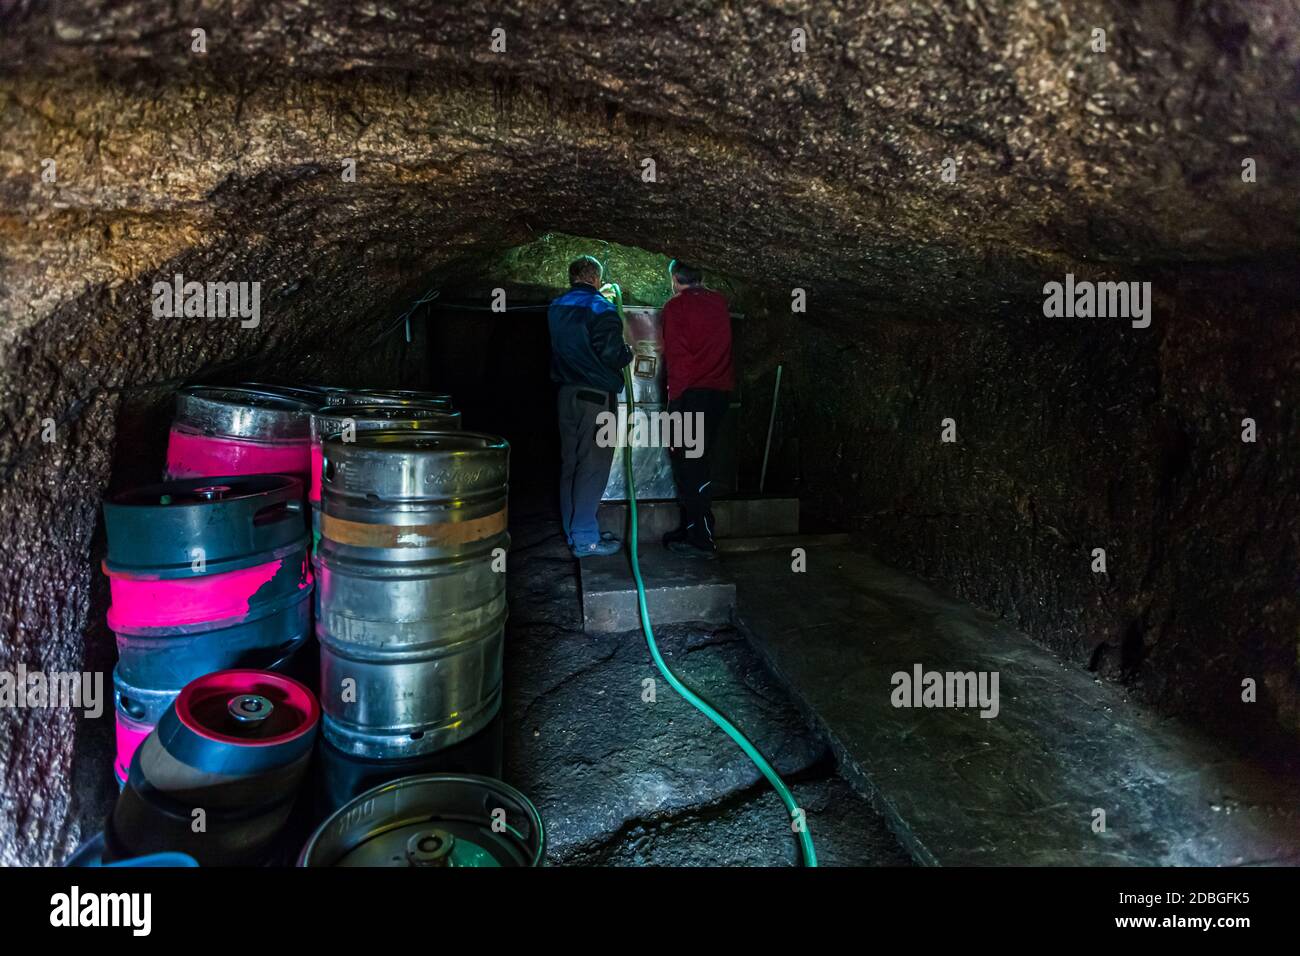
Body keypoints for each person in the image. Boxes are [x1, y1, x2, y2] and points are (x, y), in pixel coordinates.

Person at [549, 255, 633, 557]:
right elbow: (611, 353)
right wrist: (627, 353)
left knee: (570, 465)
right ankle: (586, 539)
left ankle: (575, 533)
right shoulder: (602, 307)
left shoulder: (556, 307)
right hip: (595, 398)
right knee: (593, 467)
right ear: (596, 278)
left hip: (566, 395)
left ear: (572, 277)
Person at [661, 261, 734, 558]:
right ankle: (692, 526)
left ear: (676, 279)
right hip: (718, 395)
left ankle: (701, 539)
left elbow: (679, 359)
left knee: (689, 464)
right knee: (697, 461)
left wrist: (674, 403)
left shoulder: (675, 308)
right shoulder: (718, 302)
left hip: (690, 395)